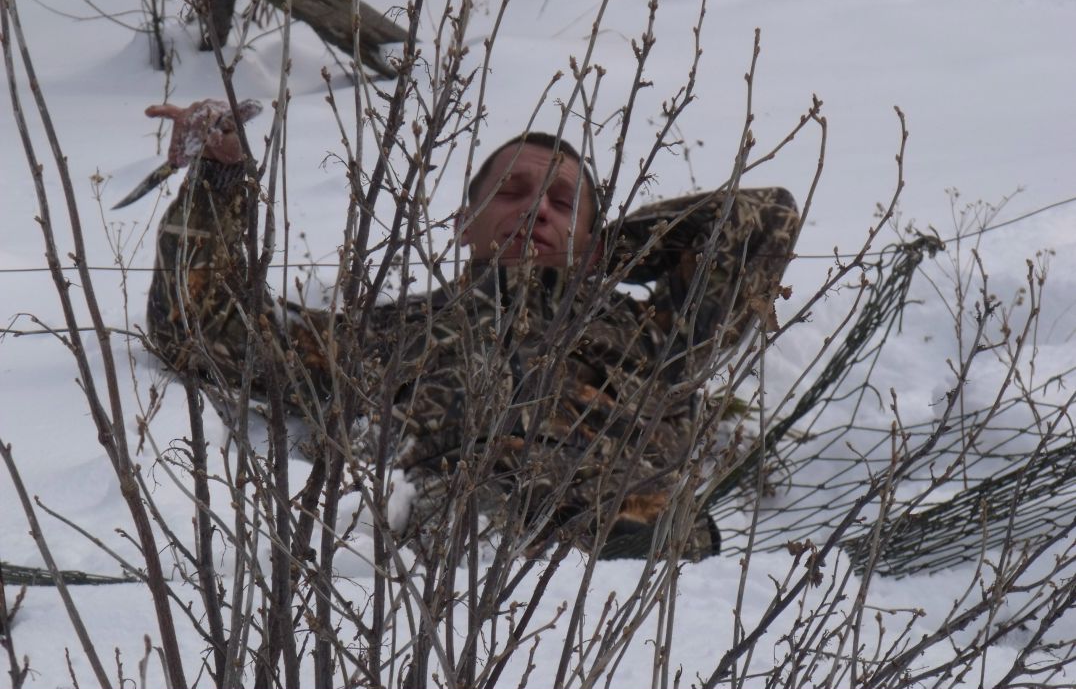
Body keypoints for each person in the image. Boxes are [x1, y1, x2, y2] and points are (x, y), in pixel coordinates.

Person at [143, 100, 799, 560]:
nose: (537, 208)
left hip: (647, 603)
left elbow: (765, 219)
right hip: (455, 621)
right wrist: (222, 179)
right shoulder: (387, 335)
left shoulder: (654, 341)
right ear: (460, 223)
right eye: (512, 192)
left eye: (561, 202)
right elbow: (201, 326)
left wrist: (602, 252)